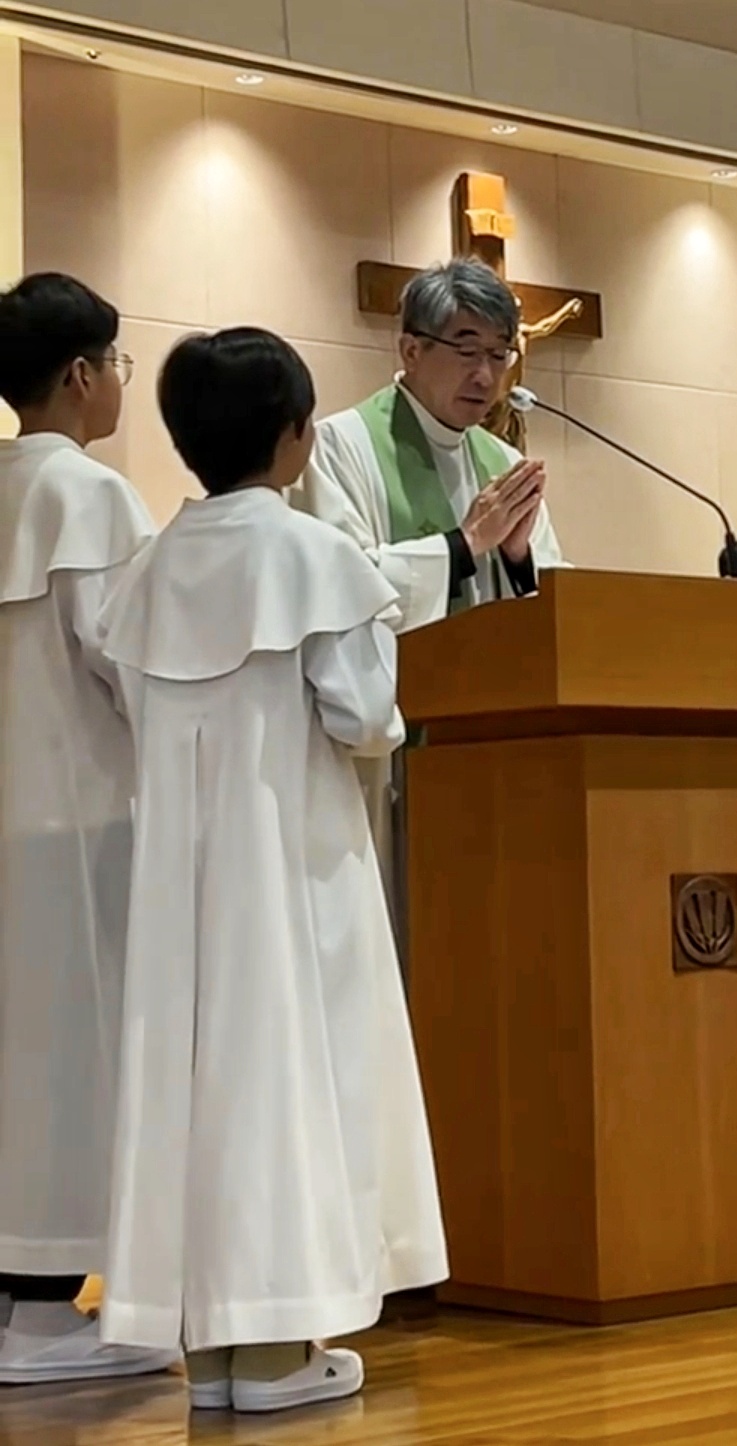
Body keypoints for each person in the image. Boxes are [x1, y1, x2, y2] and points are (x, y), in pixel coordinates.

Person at [98, 329, 447, 1413]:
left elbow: (131, 702)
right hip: (292, 859)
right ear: (296, 438)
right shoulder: (314, 557)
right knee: (294, 1069)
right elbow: (364, 717)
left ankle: (210, 1351)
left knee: (199, 1081)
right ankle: (278, 1348)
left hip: (179, 877)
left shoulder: (149, 568)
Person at [291, 258, 566, 957]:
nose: (486, 375)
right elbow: (341, 592)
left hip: (494, 757)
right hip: (388, 756)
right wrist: (461, 546)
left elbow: (557, 610)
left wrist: (516, 559)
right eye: (466, 351)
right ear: (410, 350)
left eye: (500, 355)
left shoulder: (502, 461)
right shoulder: (340, 446)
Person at [0, 273, 172, 1384]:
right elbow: (129, 658)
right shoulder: (90, 496)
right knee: (71, 1052)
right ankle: (44, 1310)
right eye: (113, 363)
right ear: (79, 373)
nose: (118, 381)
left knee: (16, 1054)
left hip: (10, 817)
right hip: (79, 819)